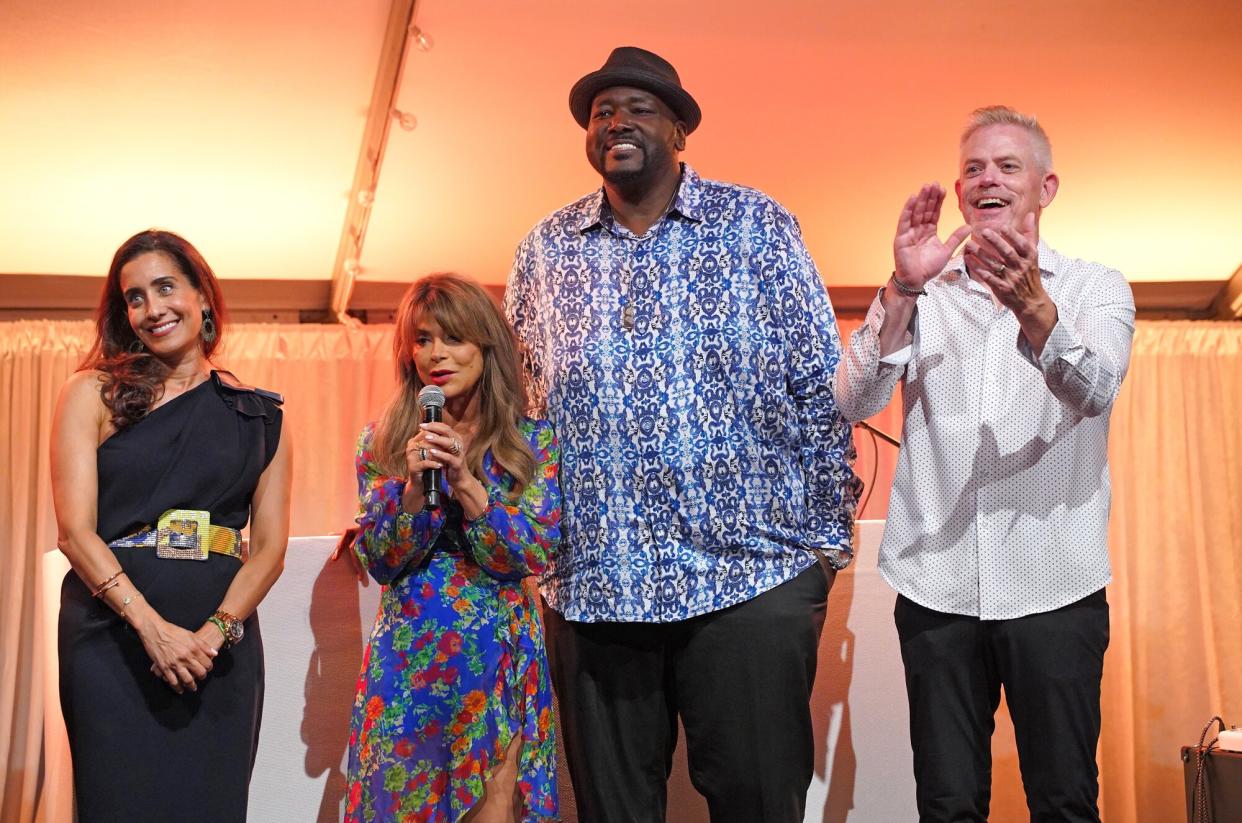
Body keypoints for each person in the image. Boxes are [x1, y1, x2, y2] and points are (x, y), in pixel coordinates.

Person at [506, 46, 858, 822]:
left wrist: (823, 553)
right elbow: (519, 415)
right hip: (597, 589)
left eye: (638, 108)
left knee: (760, 805)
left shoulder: (756, 226)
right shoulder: (543, 250)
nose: (616, 123)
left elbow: (820, 387)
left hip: (751, 582)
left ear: (680, 131)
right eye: (601, 113)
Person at [835, 105, 1136, 821]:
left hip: (1055, 585)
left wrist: (1035, 309)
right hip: (936, 588)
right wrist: (902, 289)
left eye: (1007, 166)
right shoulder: (924, 295)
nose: (986, 179)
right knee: (946, 803)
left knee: (1063, 800)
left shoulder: (1096, 287)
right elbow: (852, 398)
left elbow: (1093, 390)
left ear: (1045, 187)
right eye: (973, 167)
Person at [51, 229, 292, 822]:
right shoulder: (92, 394)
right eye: (135, 297)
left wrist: (212, 635)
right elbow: (74, 532)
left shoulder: (260, 417)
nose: (153, 309)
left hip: (220, 653)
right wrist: (151, 629)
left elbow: (269, 550)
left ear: (203, 295)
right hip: (110, 640)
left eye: (165, 288)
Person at [344, 273, 561, 823]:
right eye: (421, 340)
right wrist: (415, 492)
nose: (435, 354)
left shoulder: (530, 443)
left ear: (486, 347)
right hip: (409, 656)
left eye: (453, 338)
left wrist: (466, 485)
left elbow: (533, 554)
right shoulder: (384, 443)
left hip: (496, 654)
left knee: (491, 804)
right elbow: (379, 560)